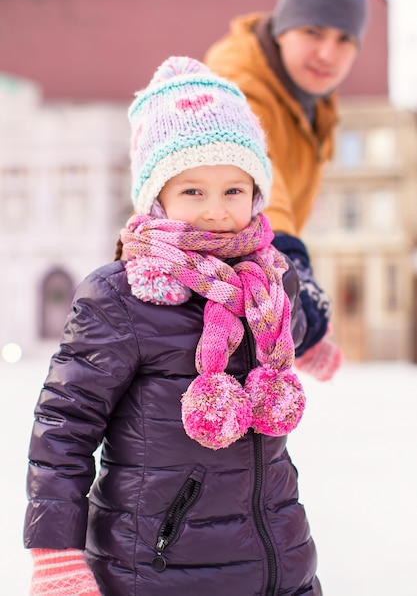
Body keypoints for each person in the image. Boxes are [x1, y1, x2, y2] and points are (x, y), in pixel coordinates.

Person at [24, 56, 323, 595]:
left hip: (281, 562)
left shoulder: (272, 284)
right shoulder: (120, 295)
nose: (215, 210)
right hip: (158, 571)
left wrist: (316, 329)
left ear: (256, 193)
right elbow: (64, 430)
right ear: (156, 197)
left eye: (233, 190)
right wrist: (55, 555)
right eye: (192, 191)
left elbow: (298, 335)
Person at [205, 0, 368, 365]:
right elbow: (262, 181)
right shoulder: (240, 85)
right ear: (282, 28)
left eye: (344, 38)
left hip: (244, 283)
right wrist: (291, 272)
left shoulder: (314, 100)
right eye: (313, 31)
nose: (328, 53)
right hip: (204, 283)